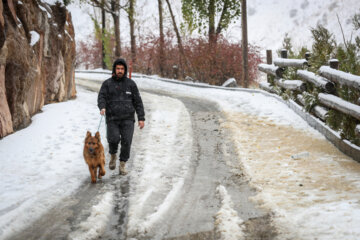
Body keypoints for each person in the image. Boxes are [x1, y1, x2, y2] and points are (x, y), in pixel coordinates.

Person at [97, 58, 145, 175]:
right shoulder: (107, 84)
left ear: (125, 70)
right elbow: (101, 97)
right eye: (118, 68)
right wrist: (102, 107)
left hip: (128, 118)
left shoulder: (131, 84)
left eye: (122, 69)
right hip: (112, 118)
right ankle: (113, 155)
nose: (120, 71)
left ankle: (122, 164)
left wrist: (141, 118)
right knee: (113, 139)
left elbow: (138, 102)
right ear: (114, 69)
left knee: (126, 142)